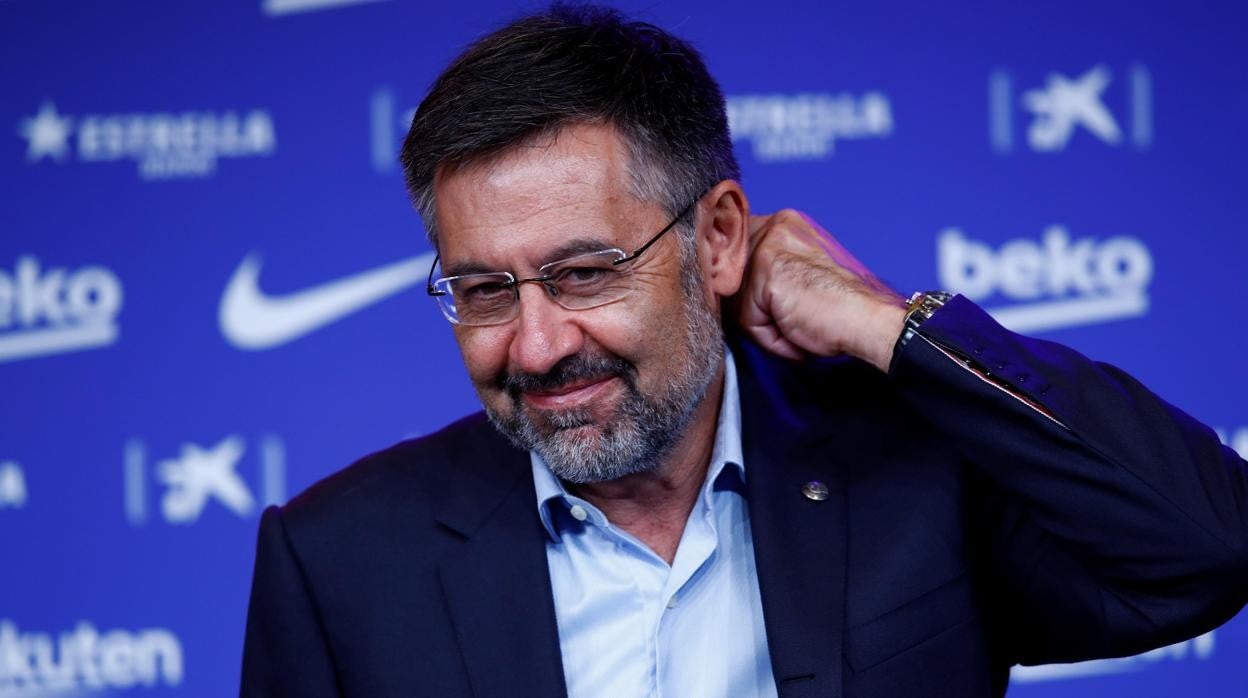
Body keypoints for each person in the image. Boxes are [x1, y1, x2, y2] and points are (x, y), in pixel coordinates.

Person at [240, 5, 1248, 697]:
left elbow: (1206, 547)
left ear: (718, 237)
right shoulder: (339, 559)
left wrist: (884, 324)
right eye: (483, 290)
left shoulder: (916, 474)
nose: (537, 345)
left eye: (584, 273)